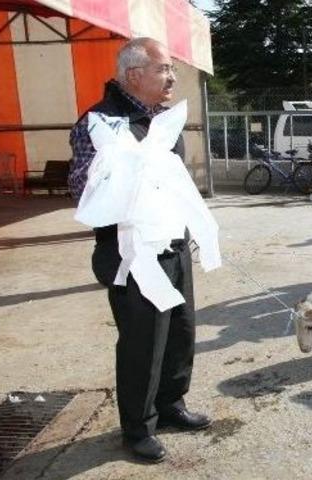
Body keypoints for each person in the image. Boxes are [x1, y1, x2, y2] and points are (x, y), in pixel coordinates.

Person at [68, 37, 211, 463]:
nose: (172, 77)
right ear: (134, 74)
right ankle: (138, 427)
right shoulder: (100, 123)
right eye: (164, 69)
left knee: (180, 331)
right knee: (142, 342)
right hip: (131, 252)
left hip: (174, 244)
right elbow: (80, 189)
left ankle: (171, 405)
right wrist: (117, 174)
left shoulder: (163, 120)